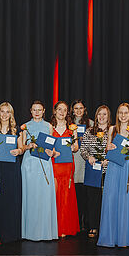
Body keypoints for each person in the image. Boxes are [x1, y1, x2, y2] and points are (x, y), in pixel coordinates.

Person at [98, 103, 129, 249]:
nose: (123, 116)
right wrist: (109, 147)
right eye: (120, 113)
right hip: (114, 167)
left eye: (126, 113)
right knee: (112, 200)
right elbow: (107, 149)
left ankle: (127, 238)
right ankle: (111, 237)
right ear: (117, 115)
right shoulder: (112, 129)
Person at [19, 100, 58, 241]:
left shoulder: (49, 126)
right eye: (34, 110)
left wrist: (52, 152)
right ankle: (30, 232)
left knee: (44, 197)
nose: (37, 112)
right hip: (29, 164)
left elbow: (53, 148)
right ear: (30, 111)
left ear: (44, 111)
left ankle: (45, 232)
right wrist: (28, 146)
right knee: (31, 196)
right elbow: (22, 147)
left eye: (39, 110)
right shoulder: (25, 126)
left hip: (45, 164)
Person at [0, 102, 23, 244]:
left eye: (7, 112)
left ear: (11, 114)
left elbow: (22, 148)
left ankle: (12, 233)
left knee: (12, 199)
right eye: (2, 111)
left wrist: (18, 151)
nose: (4, 114)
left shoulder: (16, 130)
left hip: (12, 168)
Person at [79, 105, 111, 239]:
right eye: (99, 114)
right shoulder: (89, 131)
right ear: (96, 116)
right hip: (93, 170)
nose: (102, 117)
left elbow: (115, 149)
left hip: (107, 170)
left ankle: (106, 227)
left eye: (104, 114)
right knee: (92, 200)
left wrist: (108, 159)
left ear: (108, 117)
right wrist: (89, 157)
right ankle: (93, 226)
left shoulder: (112, 132)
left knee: (106, 200)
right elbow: (83, 149)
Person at [50, 101, 80, 238]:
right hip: (54, 164)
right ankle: (54, 227)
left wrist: (73, 145)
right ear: (55, 111)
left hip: (67, 164)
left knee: (66, 195)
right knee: (55, 194)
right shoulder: (50, 128)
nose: (62, 112)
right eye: (59, 109)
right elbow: (47, 145)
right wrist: (52, 151)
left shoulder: (72, 129)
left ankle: (64, 227)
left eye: (64, 110)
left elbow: (76, 147)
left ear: (67, 112)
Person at [71, 100, 93, 232]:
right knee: (76, 196)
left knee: (87, 195)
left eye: (81, 108)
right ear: (72, 110)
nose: (78, 111)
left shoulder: (91, 124)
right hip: (74, 161)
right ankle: (77, 223)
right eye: (76, 108)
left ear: (84, 109)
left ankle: (88, 222)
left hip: (87, 162)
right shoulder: (69, 124)